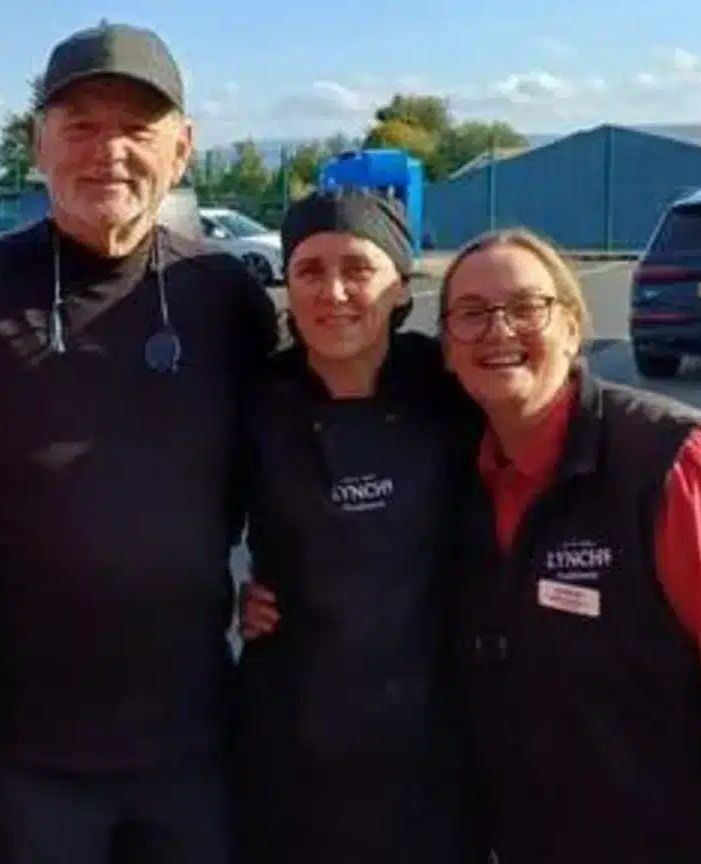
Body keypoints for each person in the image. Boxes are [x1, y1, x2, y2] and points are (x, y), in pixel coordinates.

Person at [0, 21, 279, 864]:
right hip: (23, 754)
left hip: (194, 745)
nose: (109, 152)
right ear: (38, 145)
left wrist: (303, 575)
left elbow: (308, 441)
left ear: (183, 149)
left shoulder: (227, 299)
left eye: (136, 129)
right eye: (82, 126)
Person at [436, 229, 701, 863]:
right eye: (471, 312)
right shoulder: (464, 483)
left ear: (573, 328)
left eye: (526, 307)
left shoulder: (682, 465)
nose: (498, 330)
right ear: (446, 348)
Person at [232, 190, 486, 863]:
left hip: (436, 729)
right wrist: (224, 596)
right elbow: (183, 524)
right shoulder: (253, 401)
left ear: (400, 285)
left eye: (358, 269)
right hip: (295, 726)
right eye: (310, 271)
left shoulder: (453, 387)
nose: (334, 292)